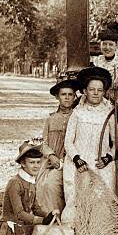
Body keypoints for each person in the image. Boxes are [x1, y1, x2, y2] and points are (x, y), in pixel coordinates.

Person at [62, 67, 118, 225]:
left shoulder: (109, 113)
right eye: (92, 89)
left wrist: (108, 158)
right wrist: (77, 159)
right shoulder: (77, 112)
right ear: (85, 91)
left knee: (101, 197)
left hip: (100, 162)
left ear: (104, 92)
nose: (96, 93)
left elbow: (117, 143)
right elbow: (68, 141)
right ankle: (76, 227)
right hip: (79, 162)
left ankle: (99, 228)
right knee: (77, 196)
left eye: (100, 90)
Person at [0, 140, 59, 235]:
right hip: (8, 231)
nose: (36, 166)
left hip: (22, 227)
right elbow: (19, 214)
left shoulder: (31, 181)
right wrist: (42, 220)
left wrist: (49, 215)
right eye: (32, 162)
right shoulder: (15, 183)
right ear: (23, 164)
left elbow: (36, 208)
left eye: (38, 162)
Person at [35, 79, 79, 213]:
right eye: (63, 94)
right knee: (43, 184)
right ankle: (50, 216)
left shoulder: (78, 117)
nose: (67, 97)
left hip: (71, 160)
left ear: (74, 97)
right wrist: (51, 156)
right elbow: (45, 143)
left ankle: (62, 215)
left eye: (70, 94)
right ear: (57, 97)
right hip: (53, 161)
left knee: (53, 184)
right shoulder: (50, 119)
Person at [92, 21, 118, 104]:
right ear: (100, 45)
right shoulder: (98, 61)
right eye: (104, 44)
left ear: (116, 45)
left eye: (110, 44)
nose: (107, 48)